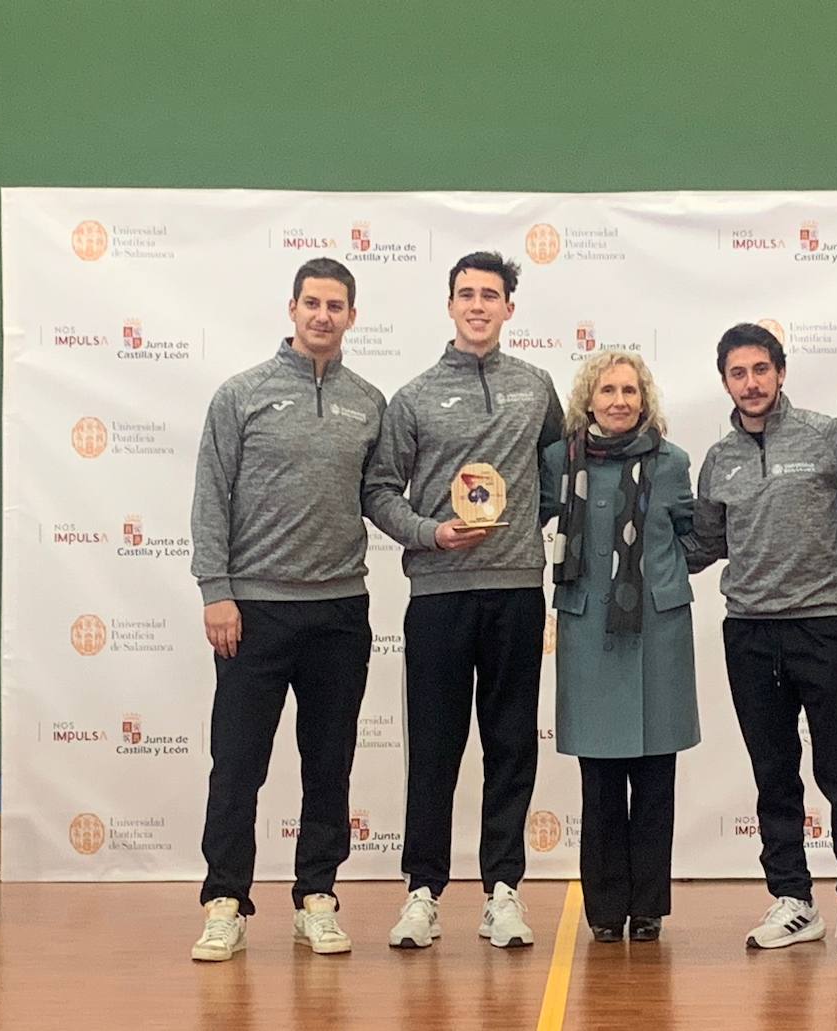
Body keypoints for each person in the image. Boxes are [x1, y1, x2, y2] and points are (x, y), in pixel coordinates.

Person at [364, 251, 564, 949]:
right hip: (440, 594)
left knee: (511, 743)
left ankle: (503, 891)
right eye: (466, 294)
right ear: (449, 305)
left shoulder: (537, 386)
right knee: (436, 746)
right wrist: (428, 532)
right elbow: (379, 490)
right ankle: (422, 891)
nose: (478, 305)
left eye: (491, 294)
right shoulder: (413, 397)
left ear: (510, 307)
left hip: (515, 592)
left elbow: (559, 468)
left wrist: (542, 522)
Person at [188, 257, 385, 961]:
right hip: (254, 613)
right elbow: (212, 496)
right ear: (292, 308)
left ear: (352, 316)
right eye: (312, 303)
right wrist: (217, 590)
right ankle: (224, 900)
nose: (323, 315)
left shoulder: (369, 401)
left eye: (336, 305)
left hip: (340, 612)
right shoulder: (241, 394)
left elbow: (380, 495)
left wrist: (434, 531)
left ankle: (317, 896)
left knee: (328, 763)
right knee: (238, 762)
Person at [687, 323, 837, 955]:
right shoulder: (719, 459)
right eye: (738, 373)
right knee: (774, 774)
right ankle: (795, 901)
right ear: (725, 381)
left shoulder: (828, 437)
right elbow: (708, 543)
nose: (751, 383)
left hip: (822, 625)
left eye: (761, 370)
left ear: (781, 372)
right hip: (747, 631)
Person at [540, 351, 699, 944]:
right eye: (607, 389)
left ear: (644, 398)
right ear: (588, 399)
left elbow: (694, 535)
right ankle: (605, 910)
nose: (619, 400)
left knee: (657, 777)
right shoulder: (559, 460)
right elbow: (528, 518)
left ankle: (649, 906)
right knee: (600, 780)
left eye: (630, 390)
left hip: (658, 635)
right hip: (586, 635)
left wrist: (665, 583)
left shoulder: (674, 461)